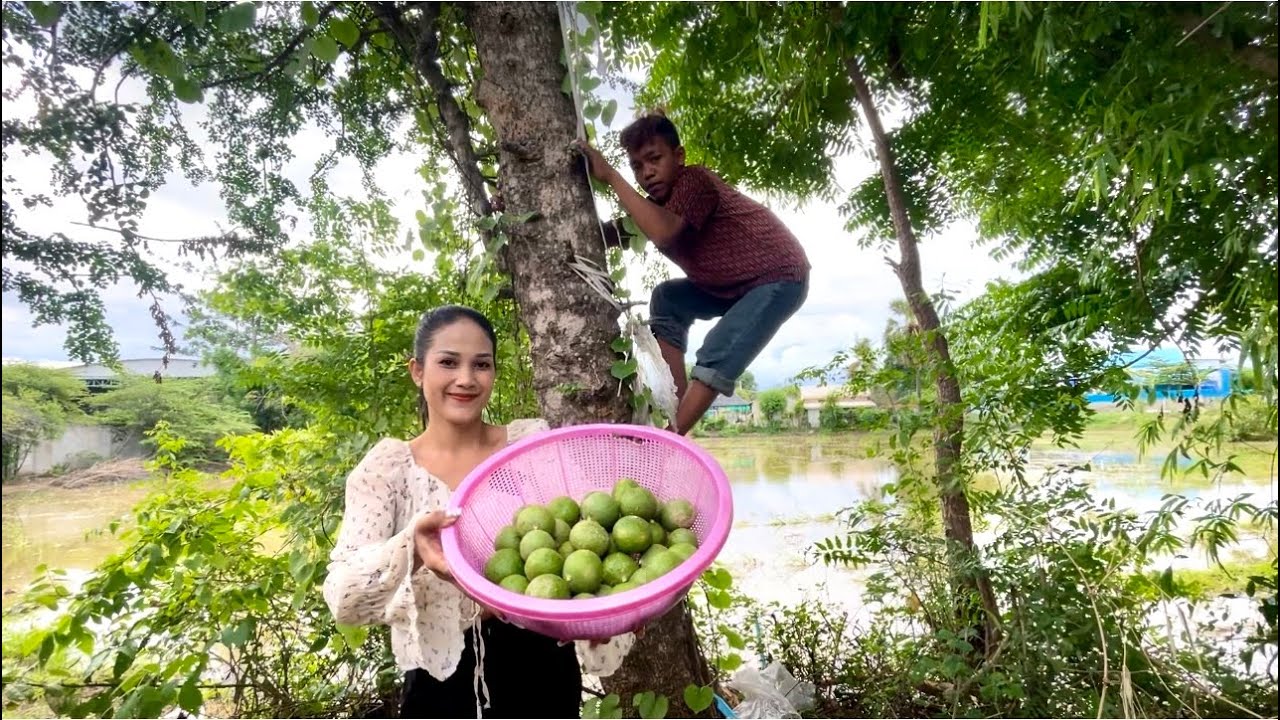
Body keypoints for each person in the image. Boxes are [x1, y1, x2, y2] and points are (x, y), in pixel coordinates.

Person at [322, 305, 635, 719]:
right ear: (418, 371)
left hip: (541, 675)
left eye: (481, 365)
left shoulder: (531, 450)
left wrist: (606, 617)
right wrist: (411, 547)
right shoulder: (389, 470)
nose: (466, 379)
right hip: (437, 683)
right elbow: (344, 599)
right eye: (448, 362)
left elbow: (586, 543)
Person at [573, 112, 810, 435]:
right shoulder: (655, 206)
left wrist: (612, 176)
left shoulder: (695, 182)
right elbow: (616, 232)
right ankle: (676, 407)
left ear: (679, 156)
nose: (647, 173)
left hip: (778, 275)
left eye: (654, 159)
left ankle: (672, 437)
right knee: (667, 299)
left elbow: (664, 231)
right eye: (637, 167)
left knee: (719, 348)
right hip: (729, 287)